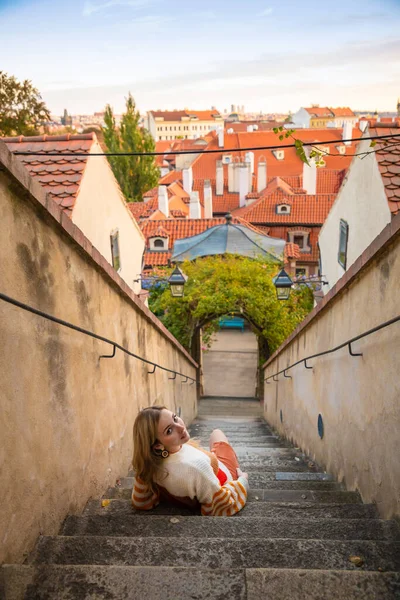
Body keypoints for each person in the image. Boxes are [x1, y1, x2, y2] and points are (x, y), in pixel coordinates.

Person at [131, 405, 248, 516]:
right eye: (169, 431)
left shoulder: (153, 464)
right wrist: (242, 481)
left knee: (215, 434)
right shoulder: (196, 467)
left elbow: (140, 502)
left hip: (209, 466)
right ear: (157, 445)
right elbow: (223, 504)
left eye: (175, 418)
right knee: (218, 433)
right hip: (225, 477)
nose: (181, 428)